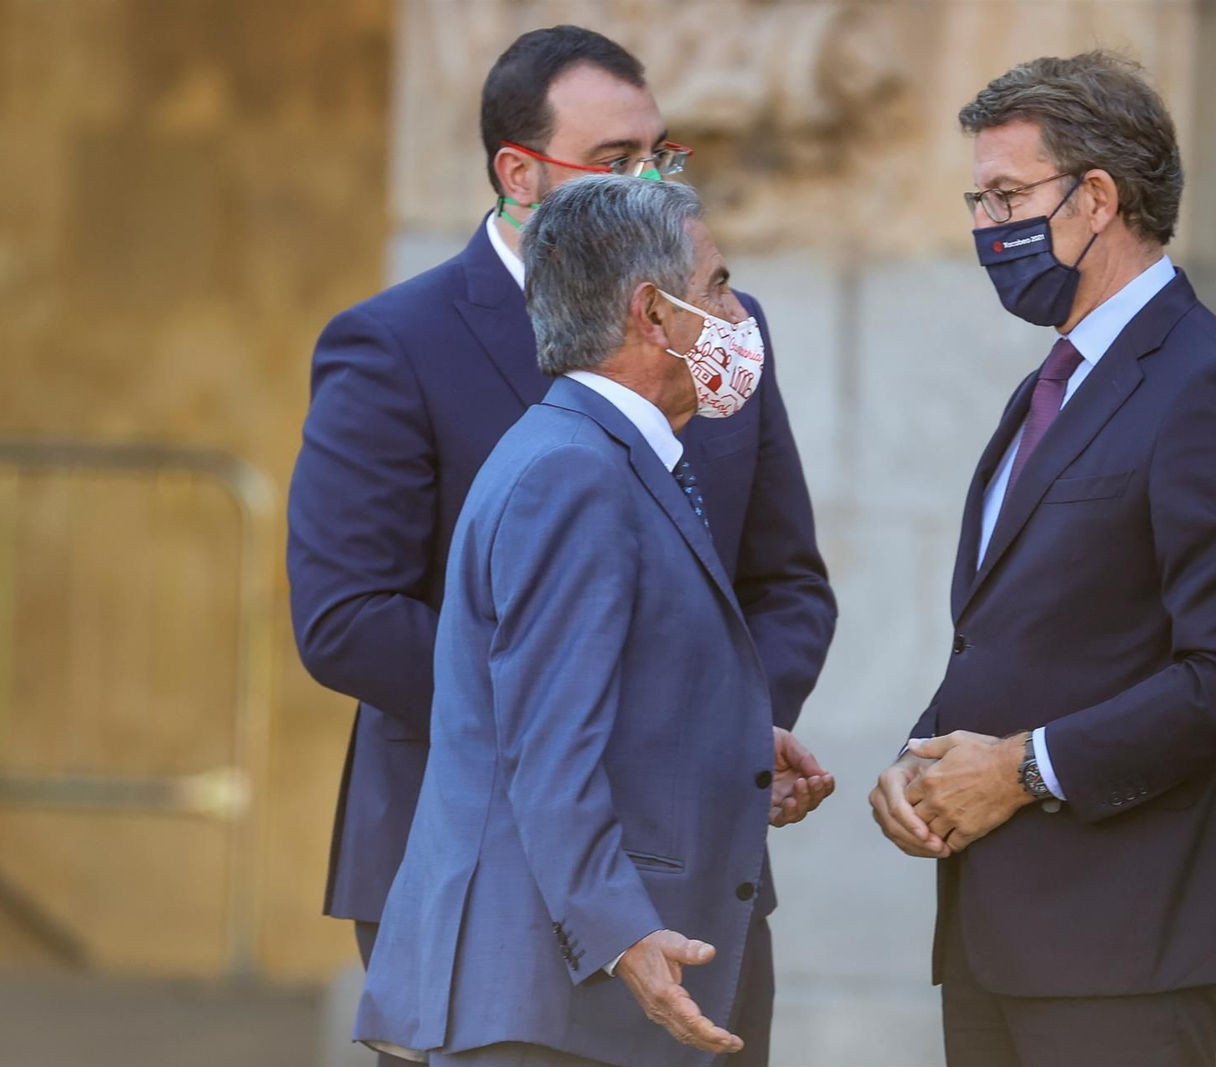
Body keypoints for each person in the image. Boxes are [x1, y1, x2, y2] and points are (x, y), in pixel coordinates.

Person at [286, 27, 837, 1065]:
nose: (651, 182)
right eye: (619, 161)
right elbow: (347, 616)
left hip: (689, 862)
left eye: (661, 156)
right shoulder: (398, 343)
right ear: (518, 171)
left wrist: (734, 724)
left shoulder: (713, 323)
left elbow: (780, 578)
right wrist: (603, 719)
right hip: (482, 869)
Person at [867, 52, 1216, 1067]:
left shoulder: (1209, 382)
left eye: (1008, 195)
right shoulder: (1046, 387)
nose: (985, 225)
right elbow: (1025, 625)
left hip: (1124, 951)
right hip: (991, 938)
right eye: (978, 197)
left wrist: (1021, 769)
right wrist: (923, 758)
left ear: (1097, 197)